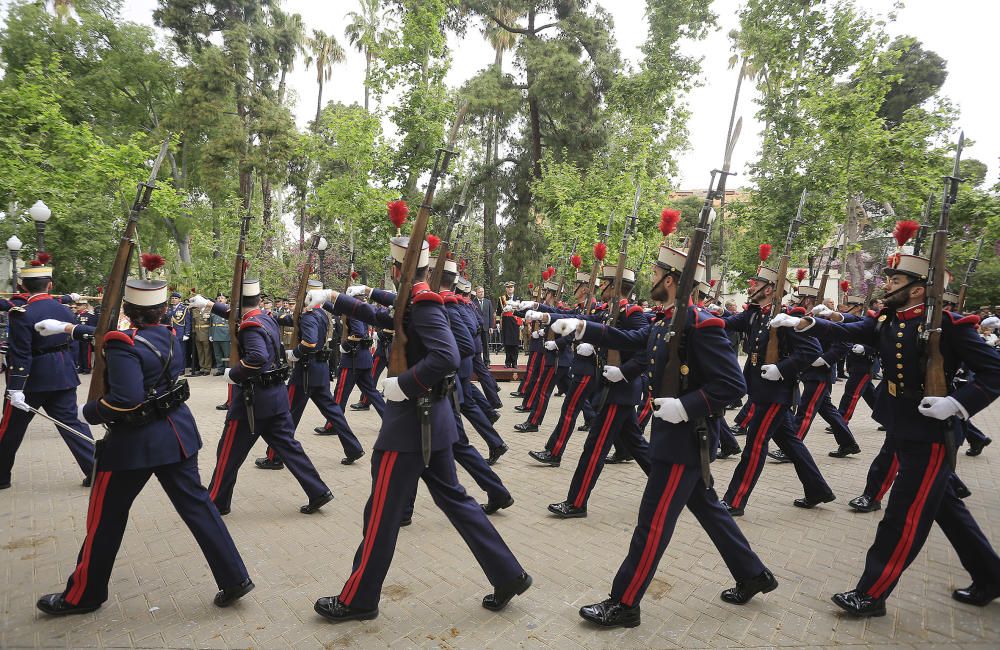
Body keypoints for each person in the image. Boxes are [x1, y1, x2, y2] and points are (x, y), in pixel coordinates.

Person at [307, 230, 530, 622]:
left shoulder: (424, 302)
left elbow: (446, 355)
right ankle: (508, 574)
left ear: (399, 267)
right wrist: (335, 300)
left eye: (392, 268)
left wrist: (403, 385)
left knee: (381, 512)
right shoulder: (416, 298)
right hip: (432, 423)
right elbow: (384, 315)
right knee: (457, 502)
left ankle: (359, 599)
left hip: (411, 426)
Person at [772, 237, 1000, 616]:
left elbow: (994, 372)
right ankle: (991, 575)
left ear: (919, 289)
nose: (887, 286)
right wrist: (802, 322)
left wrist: (957, 403)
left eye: (895, 282)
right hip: (903, 426)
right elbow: (846, 330)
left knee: (903, 516)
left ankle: (871, 594)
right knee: (946, 508)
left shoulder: (951, 326)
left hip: (931, 435)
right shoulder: (888, 320)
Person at [553, 243, 776, 629]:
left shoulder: (701, 325)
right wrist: (583, 326)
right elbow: (628, 341)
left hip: (685, 440)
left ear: (671, 281)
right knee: (709, 509)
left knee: (652, 523)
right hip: (672, 436)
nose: (651, 280)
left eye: (656, 275)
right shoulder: (665, 321)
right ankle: (753, 573)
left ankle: (625, 602)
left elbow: (731, 384)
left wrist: (686, 407)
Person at [32, 264, 252, 616]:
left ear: (129, 313)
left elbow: (125, 398)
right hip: (178, 435)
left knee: (105, 518)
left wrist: (91, 412)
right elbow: (120, 344)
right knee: (200, 509)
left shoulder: (124, 343)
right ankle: (234, 577)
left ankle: (83, 595)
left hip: (133, 445)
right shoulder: (167, 334)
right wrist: (73, 329)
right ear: (163, 310)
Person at [189, 281, 334, 516]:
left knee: (228, 453)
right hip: (275, 397)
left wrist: (234, 373)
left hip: (252, 401)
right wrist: (208, 304)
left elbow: (256, 357)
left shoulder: (250, 326)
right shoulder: (265, 317)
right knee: (289, 448)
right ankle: (318, 491)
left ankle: (216, 501)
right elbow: (236, 314)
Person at [717, 246, 835, 517]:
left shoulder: (786, 317)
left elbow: (811, 351)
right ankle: (818, 489)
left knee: (756, 444)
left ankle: (735, 499)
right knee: (791, 442)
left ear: (770, 288)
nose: (752, 287)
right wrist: (698, 316)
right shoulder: (756, 313)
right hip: (761, 391)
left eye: (757, 283)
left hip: (776, 393)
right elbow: (726, 324)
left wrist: (782, 369)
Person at [544, 265, 651, 518]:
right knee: (637, 444)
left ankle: (577, 502)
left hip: (621, 388)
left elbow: (645, 349)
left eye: (604, 284)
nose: (600, 288)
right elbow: (593, 323)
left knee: (595, 446)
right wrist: (558, 320)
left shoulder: (633, 313)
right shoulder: (610, 311)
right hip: (611, 386)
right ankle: (673, 485)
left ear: (614, 287)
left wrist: (625, 371)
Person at [1, 257, 94, 490]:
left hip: (31, 381)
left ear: (23, 286)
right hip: (62, 373)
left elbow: (21, 355)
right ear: (50, 285)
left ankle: (1, 476)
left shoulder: (21, 312)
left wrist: (15, 388)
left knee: (10, 430)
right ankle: (95, 470)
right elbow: (72, 342)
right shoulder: (63, 309)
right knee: (73, 426)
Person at [256, 279, 365, 470]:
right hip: (319, 371)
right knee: (334, 413)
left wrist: (295, 354)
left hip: (305, 372)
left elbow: (309, 342)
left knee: (286, 415)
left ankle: (275, 457)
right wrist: (270, 316)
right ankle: (353, 448)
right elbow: (292, 320)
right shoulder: (320, 312)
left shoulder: (309, 315)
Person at [166, 291, 192, 374]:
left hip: (180, 333)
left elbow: (188, 322)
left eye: (175, 298)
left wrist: (187, 333)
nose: (173, 300)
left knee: (181, 352)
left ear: (179, 300)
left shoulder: (184, 309)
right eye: (172, 298)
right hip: (170, 333)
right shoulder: (169, 308)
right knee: (172, 353)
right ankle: (174, 369)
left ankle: (181, 369)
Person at [497, 282, 520, 368]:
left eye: (511, 287)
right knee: (507, 343)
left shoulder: (518, 298)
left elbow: (521, 311)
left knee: (515, 343)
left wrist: (521, 322)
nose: (510, 289)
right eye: (508, 287)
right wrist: (498, 323)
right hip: (506, 322)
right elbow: (499, 312)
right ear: (506, 289)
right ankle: (507, 362)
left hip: (515, 322)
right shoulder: (501, 299)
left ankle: (514, 362)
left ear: (514, 288)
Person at [209, 294, 230, 377]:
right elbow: (210, 323)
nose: (220, 299)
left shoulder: (228, 309)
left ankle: (227, 369)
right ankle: (220, 369)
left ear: (226, 300)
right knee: (218, 354)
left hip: (225, 335)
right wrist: (210, 334)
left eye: (222, 298)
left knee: (226, 354)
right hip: (215, 334)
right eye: (218, 298)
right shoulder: (213, 309)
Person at [192, 297, 213, 377]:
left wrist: (211, 333)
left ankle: (207, 368)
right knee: (200, 351)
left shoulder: (209, 309)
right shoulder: (195, 310)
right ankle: (202, 367)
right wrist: (193, 332)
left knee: (207, 351)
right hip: (197, 332)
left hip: (206, 332)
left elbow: (211, 322)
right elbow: (193, 322)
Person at [74, 300, 97, 374]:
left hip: (86, 337)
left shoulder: (90, 315)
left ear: (85, 306)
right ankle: (81, 367)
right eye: (77, 305)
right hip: (78, 336)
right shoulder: (77, 315)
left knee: (86, 353)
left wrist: (91, 336)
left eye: (80, 305)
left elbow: (92, 326)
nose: (78, 306)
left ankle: (87, 368)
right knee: (79, 353)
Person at [474, 286, 494, 365]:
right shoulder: (473, 302)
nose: (481, 293)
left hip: (486, 327)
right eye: (480, 292)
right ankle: (478, 362)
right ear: (476, 293)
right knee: (477, 345)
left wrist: (491, 327)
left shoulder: (488, 302)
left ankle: (487, 362)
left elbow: (491, 315)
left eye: (482, 291)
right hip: (477, 327)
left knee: (486, 345)